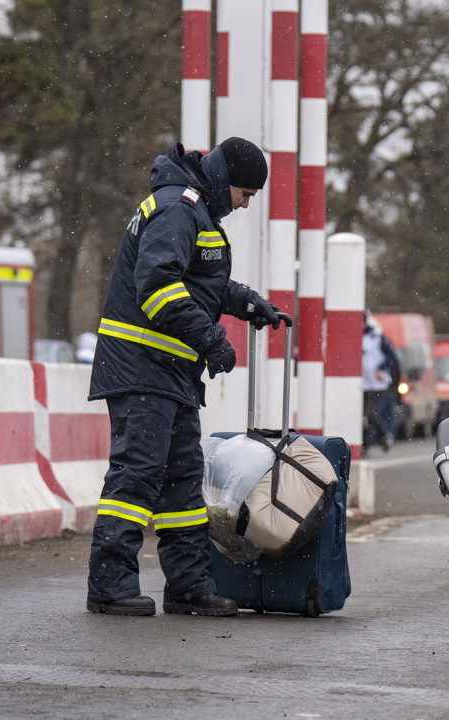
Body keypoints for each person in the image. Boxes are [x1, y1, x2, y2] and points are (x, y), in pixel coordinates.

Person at [86, 138, 279, 617]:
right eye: (245, 192)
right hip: (141, 367)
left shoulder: (196, 210)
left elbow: (201, 282)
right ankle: (109, 586)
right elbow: (157, 288)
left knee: (181, 484)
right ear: (224, 177)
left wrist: (247, 302)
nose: (245, 203)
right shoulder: (179, 208)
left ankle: (189, 587)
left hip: (169, 374)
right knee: (138, 476)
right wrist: (211, 340)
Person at [362, 313, 399, 454]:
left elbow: (391, 355)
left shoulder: (376, 336)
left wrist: (381, 368)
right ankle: (365, 445)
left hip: (377, 384)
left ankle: (385, 435)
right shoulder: (354, 337)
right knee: (362, 416)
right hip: (361, 383)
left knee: (370, 414)